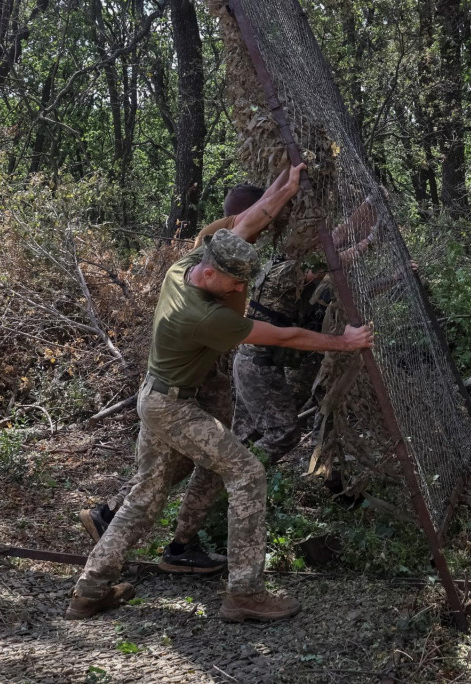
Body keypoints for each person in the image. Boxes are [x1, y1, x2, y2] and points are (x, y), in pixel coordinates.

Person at [66, 164, 374, 622]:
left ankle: (89, 591)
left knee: (144, 497)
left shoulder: (186, 266)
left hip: (157, 397)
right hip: (172, 406)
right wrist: (345, 342)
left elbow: (245, 224)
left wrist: (283, 188)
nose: (241, 289)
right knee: (247, 474)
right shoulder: (207, 318)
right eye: (235, 283)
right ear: (212, 275)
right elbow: (286, 337)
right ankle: (244, 594)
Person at [77, 169, 299, 575]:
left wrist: (287, 180)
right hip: (199, 372)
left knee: (179, 462)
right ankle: (158, 538)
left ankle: (123, 527)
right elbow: (261, 327)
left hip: (193, 371)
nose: (269, 228)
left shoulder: (224, 248)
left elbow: (259, 213)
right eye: (265, 219)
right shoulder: (217, 249)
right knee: (199, 461)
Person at [232, 195, 380, 463]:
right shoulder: (289, 272)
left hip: (252, 360)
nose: (319, 244)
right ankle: (239, 478)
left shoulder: (281, 262)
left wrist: (365, 207)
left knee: (245, 435)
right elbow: (334, 259)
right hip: (257, 364)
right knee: (283, 435)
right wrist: (369, 241)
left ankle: (222, 487)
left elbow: (334, 238)